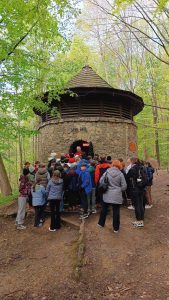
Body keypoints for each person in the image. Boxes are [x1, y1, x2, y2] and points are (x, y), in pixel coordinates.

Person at [98, 160, 127, 233]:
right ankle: (116, 228)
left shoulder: (107, 172)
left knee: (104, 209)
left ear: (112, 164)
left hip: (107, 194)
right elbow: (124, 186)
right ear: (119, 165)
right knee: (116, 211)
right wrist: (118, 189)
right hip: (116, 195)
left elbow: (101, 181)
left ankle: (101, 223)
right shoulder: (120, 174)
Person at [126, 158, 148, 228]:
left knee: (137, 205)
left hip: (135, 189)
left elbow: (127, 177)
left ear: (132, 162)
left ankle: (139, 221)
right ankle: (141, 220)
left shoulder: (132, 169)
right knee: (141, 204)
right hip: (142, 189)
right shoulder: (142, 167)